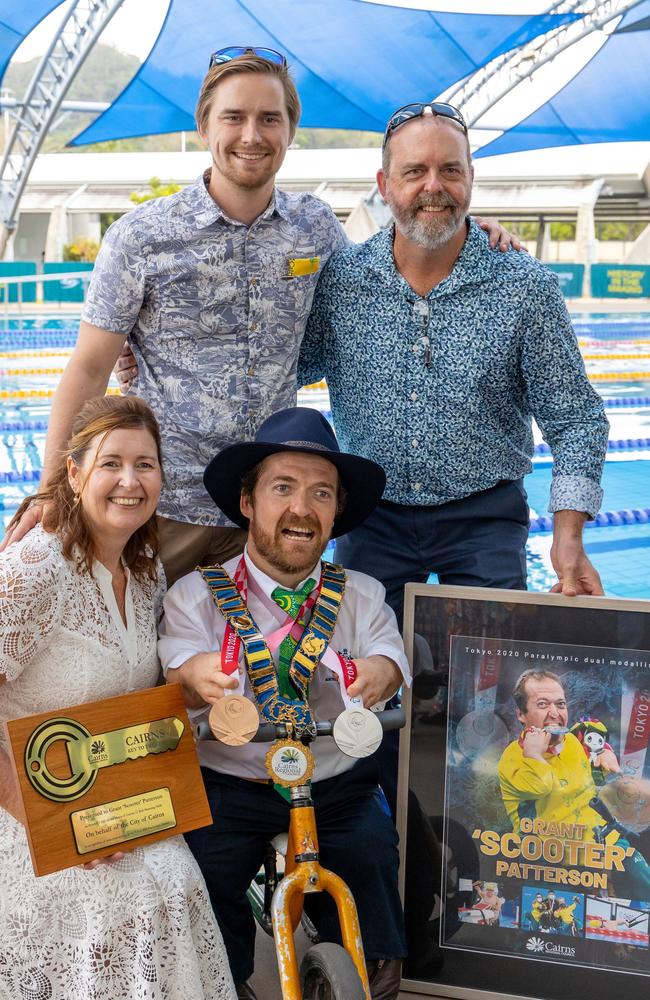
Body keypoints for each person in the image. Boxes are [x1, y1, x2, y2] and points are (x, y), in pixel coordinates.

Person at [1, 51, 520, 586]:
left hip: (267, 518)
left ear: (290, 131)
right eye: (234, 117)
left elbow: (384, 275)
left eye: (270, 118)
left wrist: (460, 227)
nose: (252, 135)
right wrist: (51, 488)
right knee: (152, 665)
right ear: (204, 126)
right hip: (166, 508)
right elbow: (88, 369)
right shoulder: (141, 237)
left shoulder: (314, 228)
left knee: (263, 669)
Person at [298, 100, 610, 625]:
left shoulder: (523, 285)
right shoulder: (341, 282)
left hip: (485, 520)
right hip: (370, 520)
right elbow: (274, 367)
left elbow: (576, 419)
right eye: (414, 171)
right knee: (364, 692)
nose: (433, 187)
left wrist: (568, 533)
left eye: (450, 170)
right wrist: (143, 344)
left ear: (470, 177)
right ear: (384, 182)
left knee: (490, 686)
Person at [158, 406, 411, 1000]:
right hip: (231, 782)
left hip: (335, 783)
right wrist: (195, 676)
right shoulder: (196, 596)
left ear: (336, 513)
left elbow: (387, 659)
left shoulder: (363, 595)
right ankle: (223, 981)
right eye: (283, 488)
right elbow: (180, 663)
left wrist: (378, 672)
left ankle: (374, 969)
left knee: (374, 853)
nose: (302, 508)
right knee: (203, 872)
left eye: (322, 493)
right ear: (248, 503)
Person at [0, 396, 235, 1000]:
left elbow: (141, 703)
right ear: (73, 473)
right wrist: (34, 817)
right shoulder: (35, 568)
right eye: (112, 463)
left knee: (176, 875)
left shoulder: (149, 569)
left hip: (108, 800)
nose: (130, 481)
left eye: (146, 465)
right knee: (121, 897)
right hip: (22, 810)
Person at [498, 669, 650, 899]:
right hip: (549, 856)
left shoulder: (573, 740)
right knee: (556, 913)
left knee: (641, 879)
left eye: (560, 704)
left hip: (601, 841)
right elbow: (541, 786)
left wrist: (605, 755)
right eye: (542, 704)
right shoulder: (513, 758)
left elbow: (595, 739)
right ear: (521, 714)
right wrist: (534, 755)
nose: (554, 713)